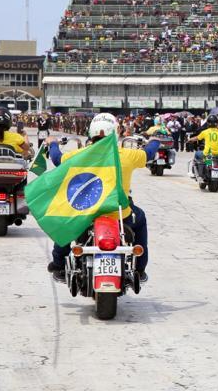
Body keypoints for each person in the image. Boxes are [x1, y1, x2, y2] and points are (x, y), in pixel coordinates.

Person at [46, 113, 159, 282]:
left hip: (86, 214)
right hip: (121, 215)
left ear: (91, 133)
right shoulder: (126, 155)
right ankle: (140, 269)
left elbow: (56, 158)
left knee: (66, 220)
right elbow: (148, 154)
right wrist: (156, 140)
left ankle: (59, 264)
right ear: (114, 132)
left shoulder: (79, 155)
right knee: (140, 219)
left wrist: (52, 143)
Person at [193, 114, 218, 179]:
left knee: (197, 154)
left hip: (208, 154)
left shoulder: (205, 132)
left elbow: (197, 138)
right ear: (216, 123)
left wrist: (189, 140)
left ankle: (195, 173)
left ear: (208, 123)